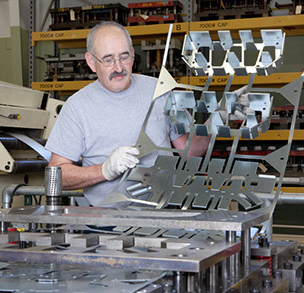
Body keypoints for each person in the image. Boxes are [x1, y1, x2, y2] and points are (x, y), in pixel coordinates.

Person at [45, 21, 210, 207]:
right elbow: (56, 176)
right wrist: (105, 170)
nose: (118, 68)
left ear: (133, 54)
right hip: (106, 223)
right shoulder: (77, 107)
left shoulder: (160, 91)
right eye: (108, 60)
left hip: (164, 213)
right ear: (91, 62)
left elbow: (189, 151)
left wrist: (217, 122)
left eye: (124, 57)